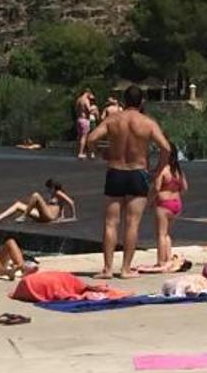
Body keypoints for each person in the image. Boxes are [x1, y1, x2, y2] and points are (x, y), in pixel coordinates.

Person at [87, 85, 171, 279]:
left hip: (115, 171)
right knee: (132, 223)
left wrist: (101, 153)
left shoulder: (113, 120)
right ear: (141, 102)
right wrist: (158, 170)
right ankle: (125, 269)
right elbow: (165, 147)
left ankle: (108, 269)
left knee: (110, 223)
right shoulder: (147, 123)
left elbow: (91, 138)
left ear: (124, 102)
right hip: (137, 172)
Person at [149, 142, 188, 272]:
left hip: (164, 205)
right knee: (167, 234)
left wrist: (150, 200)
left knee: (161, 234)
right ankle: (168, 258)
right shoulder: (178, 170)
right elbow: (185, 187)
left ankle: (161, 261)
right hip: (176, 203)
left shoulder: (163, 170)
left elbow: (156, 188)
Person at [0, 179, 76, 223]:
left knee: (36, 195)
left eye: (49, 188)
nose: (48, 190)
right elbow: (61, 205)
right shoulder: (54, 194)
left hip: (49, 216)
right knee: (18, 204)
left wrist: (73, 217)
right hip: (44, 215)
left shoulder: (58, 192)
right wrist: (62, 215)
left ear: (53, 187)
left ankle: (24, 216)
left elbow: (70, 202)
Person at [75, 89, 93, 159]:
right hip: (84, 119)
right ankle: (81, 153)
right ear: (87, 93)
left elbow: (76, 109)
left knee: (79, 136)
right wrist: (93, 108)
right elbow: (88, 109)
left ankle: (78, 151)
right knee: (84, 136)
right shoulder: (85, 100)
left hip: (79, 119)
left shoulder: (78, 100)